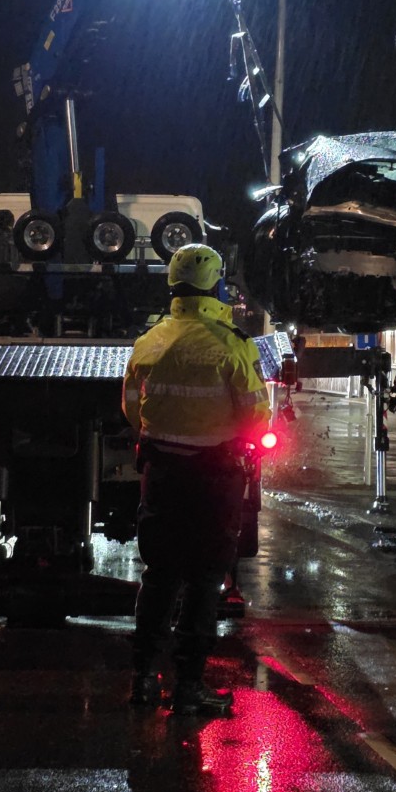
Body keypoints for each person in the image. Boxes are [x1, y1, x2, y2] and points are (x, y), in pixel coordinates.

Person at [122, 243, 271, 715]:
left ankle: (143, 681)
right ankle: (189, 688)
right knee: (205, 582)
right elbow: (256, 418)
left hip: (162, 474)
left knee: (159, 578)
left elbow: (130, 407)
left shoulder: (150, 341)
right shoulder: (231, 343)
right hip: (215, 479)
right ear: (216, 284)